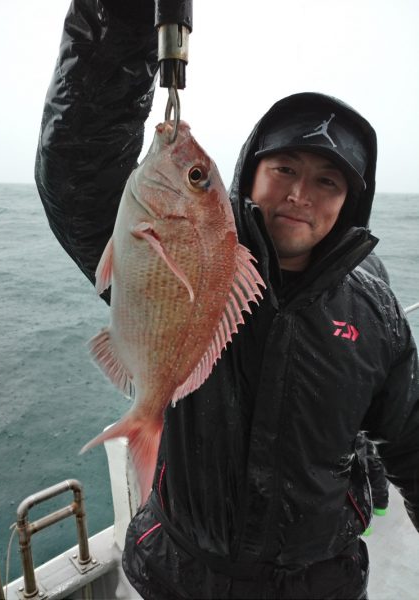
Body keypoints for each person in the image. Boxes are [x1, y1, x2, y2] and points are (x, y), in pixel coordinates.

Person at [35, 1, 419, 598]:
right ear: (250, 173)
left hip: (322, 582)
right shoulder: (188, 247)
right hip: (177, 574)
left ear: (351, 202)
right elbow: (79, 163)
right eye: (284, 168)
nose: (299, 195)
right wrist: (124, 16)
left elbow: (409, 439)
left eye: (328, 181)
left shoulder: (376, 315)